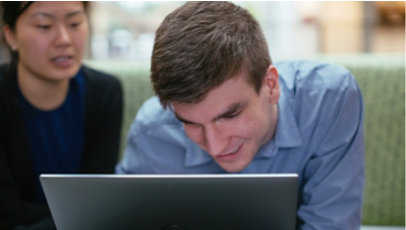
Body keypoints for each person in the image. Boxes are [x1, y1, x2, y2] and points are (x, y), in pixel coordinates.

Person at [116, 1, 364, 229]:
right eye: (190, 123)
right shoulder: (152, 132)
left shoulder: (329, 100)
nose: (215, 146)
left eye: (229, 115)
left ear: (271, 85)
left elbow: (331, 225)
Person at [0, 2, 123, 230]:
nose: (64, 39)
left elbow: (97, 203)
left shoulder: (106, 93)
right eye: (44, 25)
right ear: (10, 35)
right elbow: (6, 215)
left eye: (75, 23)